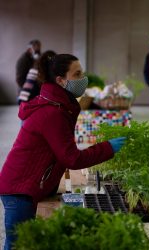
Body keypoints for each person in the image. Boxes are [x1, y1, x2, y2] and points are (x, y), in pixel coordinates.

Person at [0, 53, 126, 250]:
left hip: (30, 184)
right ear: (60, 80)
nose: (83, 79)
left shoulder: (60, 106)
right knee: (17, 245)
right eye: (77, 74)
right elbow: (72, 158)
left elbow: (60, 151)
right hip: (19, 190)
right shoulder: (53, 113)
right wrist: (108, 147)